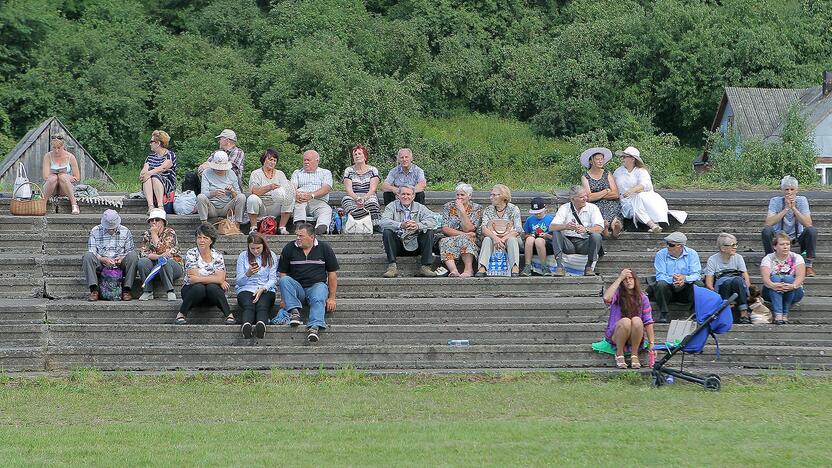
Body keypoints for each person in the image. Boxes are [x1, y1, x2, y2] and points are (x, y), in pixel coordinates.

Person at [278, 222, 339, 342]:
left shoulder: (324, 248)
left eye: (301, 236)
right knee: (284, 280)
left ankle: (314, 327)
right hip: (298, 289)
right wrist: (284, 298)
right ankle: (294, 312)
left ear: (312, 237)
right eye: (297, 235)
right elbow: (283, 273)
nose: (297, 238)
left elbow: (332, 274)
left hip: (316, 286)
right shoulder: (289, 248)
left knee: (320, 291)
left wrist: (331, 298)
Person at [174, 224, 233, 325]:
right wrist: (216, 279)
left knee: (211, 288)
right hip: (192, 292)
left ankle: (229, 315)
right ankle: (181, 314)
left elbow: (218, 278)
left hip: (211, 295)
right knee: (199, 288)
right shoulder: (191, 253)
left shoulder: (217, 256)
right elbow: (192, 279)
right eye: (199, 237)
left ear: (211, 240)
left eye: (205, 238)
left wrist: (215, 279)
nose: (201, 240)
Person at [762, 175, 817, 277]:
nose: (789, 192)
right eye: (786, 189)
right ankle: (771, 261)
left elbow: (808, 223)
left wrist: (794, 208)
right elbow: (768, 222)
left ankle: (808, 265)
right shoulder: (775, 201)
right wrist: (786, 209)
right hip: (779, 236)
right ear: (783, 190)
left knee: (811, 231)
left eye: (792, 189)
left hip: (798, 236)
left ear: (796, 190)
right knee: (766, 231)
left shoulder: (802, 200)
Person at [379, 185, 437, 278]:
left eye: (408, 194)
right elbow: (383, 222)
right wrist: (400, 225)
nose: (406, 197)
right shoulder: (391, 206)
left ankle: (425, 267)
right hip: (398, 244)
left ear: (413, 196)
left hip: (416, 244)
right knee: (387, 231)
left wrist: (418, 225)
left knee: (428, 231)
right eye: (403, 194)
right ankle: (392, 267)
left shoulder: (420, 207)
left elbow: (433, 221)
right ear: (398, 195)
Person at [603, 268, 656, 369]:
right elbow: (606, 298)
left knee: (637, 320)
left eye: (631, 278)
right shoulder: (617, 294)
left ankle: (634, 354)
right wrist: (619, 278)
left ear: (635, 280)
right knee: (626, 321)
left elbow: (648, 321)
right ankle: (619, 354)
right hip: (617, 334)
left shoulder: (642, 298)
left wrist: (651, 343)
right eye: (625, 279)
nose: (628, 281)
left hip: (635, 336)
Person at [613, 146, 673, 234]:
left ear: (632, 159)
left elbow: (646, 185)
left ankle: (653, 225)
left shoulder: (641, 171)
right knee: (634, 207)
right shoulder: (618, 172)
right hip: (625, 202)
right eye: (621, 156)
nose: (622, 159)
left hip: (643, 201)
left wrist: (632, 190)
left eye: (624, 156)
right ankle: (653, 225)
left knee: (639, 199)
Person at [82, 209, 138, 301]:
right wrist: (103, 259)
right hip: (101, 264)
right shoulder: (95, 230)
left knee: (133, 256)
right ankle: (94, 290)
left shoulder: (125, 231)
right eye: (109, 227)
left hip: (120, 264)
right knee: (87, 256)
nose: (111, 229)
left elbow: (129, 251)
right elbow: (92, 251)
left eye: (113, 227)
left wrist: (121, 258)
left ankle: (126, 290)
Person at [549, 185, 604, 276]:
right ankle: (559, 267)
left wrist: (586, 229)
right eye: (581, 197)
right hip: (568, 243)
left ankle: (589, 267)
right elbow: (552, 227)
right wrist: (566, 226)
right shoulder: (564, 208)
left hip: (585, 243)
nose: (585, 199)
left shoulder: (593, 208)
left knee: (596, 236)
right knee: (556, 232)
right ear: (573, 199)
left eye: (586, 196)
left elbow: (600, 228)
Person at [651, 231, 703, 323]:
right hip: (669, 288)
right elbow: (660, 276)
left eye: (671, 245)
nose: (667, 246)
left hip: (686, 288)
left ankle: (694, 313)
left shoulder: (692, 254)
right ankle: (664, 313)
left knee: (699, 284)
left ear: (680, 246)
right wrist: (674, 279)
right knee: (661, 284)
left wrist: (684, 279)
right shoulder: (660, 254)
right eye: (667, 244)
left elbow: (696, 275)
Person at [236, 233, 278, 339]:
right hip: (246, 288)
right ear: (248, 247)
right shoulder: (243, 256)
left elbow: (273, 279)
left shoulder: (271, 255)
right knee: (249, 305)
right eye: (252, 248)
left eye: (258, 248)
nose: (255, 251)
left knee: (262, 306)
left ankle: (261, 325)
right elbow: (239, 282)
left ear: (263, 245)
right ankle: (246, 326)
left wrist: (263, 288)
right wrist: (248, 274)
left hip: (266, 289)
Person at [703, 232, 752, 324]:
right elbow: (709, 283)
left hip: (738, 286)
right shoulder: (712, 259)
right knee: (726, 282)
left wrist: (747, 290)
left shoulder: (739, 258)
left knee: (737, 280)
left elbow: (746, 278)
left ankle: (744, 312)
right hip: (722, 286)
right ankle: (724, 311)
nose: (735, 247)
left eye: (736, 244)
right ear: (723, 248)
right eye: (732, 245)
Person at [137, 208, 183, 301]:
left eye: (157, 220)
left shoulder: (170, 232)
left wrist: (154, 235)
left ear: (163, 222)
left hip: (173, 266)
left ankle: (170, 291)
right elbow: (143, 253)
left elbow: (166, 252)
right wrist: (158, 256)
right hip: (155, 266)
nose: (154, 222)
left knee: (164, 262)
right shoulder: (147, 234)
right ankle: (148, 291)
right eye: (151, 220)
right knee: (142, 262)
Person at [760, 232, 806, 325]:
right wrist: (773, 285)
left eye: (787, 244)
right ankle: (779, 315)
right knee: (775, 278)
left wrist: (792, 286)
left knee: (789, 279)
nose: (785, 247)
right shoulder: (768, 258)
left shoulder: (797, 258)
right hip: (771, 291)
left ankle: (783, 314)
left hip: (794, 291)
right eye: (782, 244)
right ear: (775, 247)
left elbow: (800, 277)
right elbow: (765, 279)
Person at [476, 184, 522, 277]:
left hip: (510, 238)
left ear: (503, 196)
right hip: (492, 238)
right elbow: (483, 228)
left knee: (512, 239)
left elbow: (518, 229)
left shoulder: (513, 209)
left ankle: (515, 267)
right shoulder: (488, 210)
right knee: (487, 239)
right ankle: (482, 267)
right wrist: (495, 238)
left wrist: (502, 239)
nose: (491, 197)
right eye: (491, 195)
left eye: (494, 195)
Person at [439, 182, 482, 277]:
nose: (459, 197)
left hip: (472, 239)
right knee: (444, 241)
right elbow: (445, 229)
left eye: (462, 195)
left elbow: (470, 229)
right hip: (453, 237)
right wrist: (463, 234)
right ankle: (454, 270)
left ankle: (468, 270)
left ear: (469, 196)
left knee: (465, 239)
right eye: (457, 195)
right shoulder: (448, 206)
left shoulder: (477, 208)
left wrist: (462, 211)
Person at [247, 148, 294, 235]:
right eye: (270, 159)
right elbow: (255, 191)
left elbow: (287, 189)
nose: (272, 162)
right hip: (262, 205)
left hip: (276, 204)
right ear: (264, 160)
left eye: (274, 160)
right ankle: (253, 227)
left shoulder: (280, 174)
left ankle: (282, 227)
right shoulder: (256, 173)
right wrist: (269, 187)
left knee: (289, 198)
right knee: (252, 198)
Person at [196, 150, 246, 230]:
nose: (219, 170)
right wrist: (213, 193)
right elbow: (203, 193)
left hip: (227, 207)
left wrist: (232, 191)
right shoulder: (206, 173)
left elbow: (238, 196)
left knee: (242, 197)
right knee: (200, 197)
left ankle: (237, 225)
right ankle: (204, 225)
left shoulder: (231, 173)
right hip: (211, 207)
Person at [580, 147, 622, 238]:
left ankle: (614, 228)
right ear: (591, 161)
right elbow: (589, 197)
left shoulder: (607, 173)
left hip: (611, 202)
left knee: (613, 208)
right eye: (597, 159)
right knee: (598, 210)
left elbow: (615, 194)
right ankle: (605, 228)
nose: (600, 161)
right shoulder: (585, 176)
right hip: (595, 204)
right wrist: (606, 191)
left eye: (602, 159)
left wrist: (597, 195)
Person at [291, 150, 333, 235]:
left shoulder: (325, 173)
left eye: (308, 160)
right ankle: (300, 226)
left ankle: (321, 228)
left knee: (326, 210)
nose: (306, 162)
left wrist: (312, 195)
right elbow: (292, 187)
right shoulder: (297, 172)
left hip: (318, 200)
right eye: (304, 160)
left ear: (317, 161)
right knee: (299, 204)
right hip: (301, 199)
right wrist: (296, 195)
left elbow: (326, 188)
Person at [341, 144, 382, 229]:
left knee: (372, 203)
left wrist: (364, 198)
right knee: (346, 201)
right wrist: (357, 198)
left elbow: (373, 189)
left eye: (360, 154)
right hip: (353, 196)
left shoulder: (373, 170)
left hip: (368, 195)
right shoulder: (348, 170)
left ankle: (375, 226)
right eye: (355, 154)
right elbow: (348, 189)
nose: (357, 156)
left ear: (365, 156)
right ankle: (354, 225)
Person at [41, 133, 81, 214]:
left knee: (62, 176)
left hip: (64, 187)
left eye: (59, 148)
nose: (56, 150)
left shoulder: (70, 157)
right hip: (52, 186)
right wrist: (54, 175)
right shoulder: (48, 156)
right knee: (53, 178)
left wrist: (66, 177)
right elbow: (45, 176)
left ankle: (74, 204)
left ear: (63, 146)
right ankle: (42, 204)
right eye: (54, 148)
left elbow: (77, 177)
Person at [139, 130, 177, 213]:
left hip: (166, 184)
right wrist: (145, 174)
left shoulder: (170, 155)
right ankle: (151, 206)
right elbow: (143, 173)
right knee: (148, 178)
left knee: (155, 176)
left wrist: (149, 173)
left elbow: (163, 168)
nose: (150, 144)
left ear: (158, 143)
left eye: (151, 141)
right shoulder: (150, 157)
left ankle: (160, 206)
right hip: (151, 185)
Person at [522, 197, 555, 276]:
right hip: (532, 246)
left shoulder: (550, 219)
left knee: (539, 241)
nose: (538, 214)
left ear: (545, 209)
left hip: (546, 245)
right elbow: (525, 234)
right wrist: (531, 235)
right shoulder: (530, 219)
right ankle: (527, 266)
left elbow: (555, 237)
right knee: (530, 239)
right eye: (535, 213)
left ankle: (544, 266)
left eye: (540, 212)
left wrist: (546, 235)